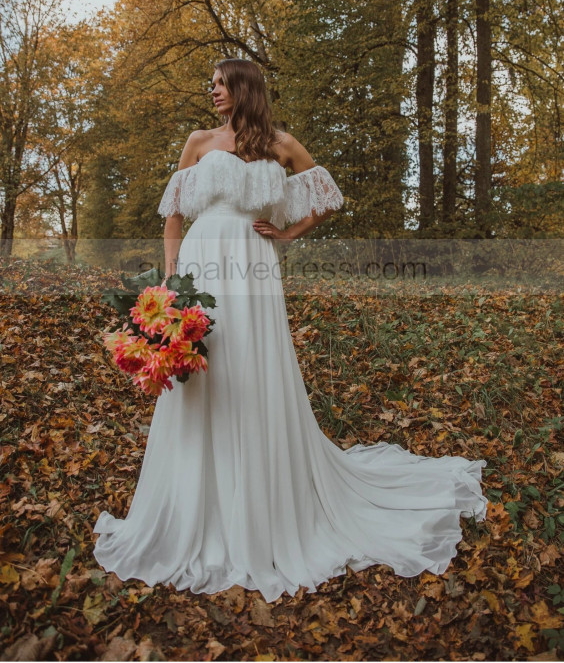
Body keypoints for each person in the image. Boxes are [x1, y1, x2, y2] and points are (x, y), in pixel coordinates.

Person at [93, 58, 487, 604]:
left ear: (244, 88)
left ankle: (264, 499)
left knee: (251, 369)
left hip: (253, 262)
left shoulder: (281, 143)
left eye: (220, 83)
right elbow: (174, 216)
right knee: (206, 368)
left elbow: (327, 197)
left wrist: (285, 235)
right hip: (203, 263)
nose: (212, 91)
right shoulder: (199, 141)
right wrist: (169, 276)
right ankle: (196, 502)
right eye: (210, 83)